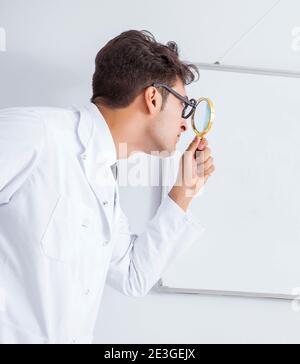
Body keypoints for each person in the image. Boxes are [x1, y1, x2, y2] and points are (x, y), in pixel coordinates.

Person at [0, 30, 215, 344]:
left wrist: (182, 193)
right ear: (153, 98)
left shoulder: (103, 180)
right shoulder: (36, 134)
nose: (185, 123)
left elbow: (133, 276)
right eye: (184, 106)